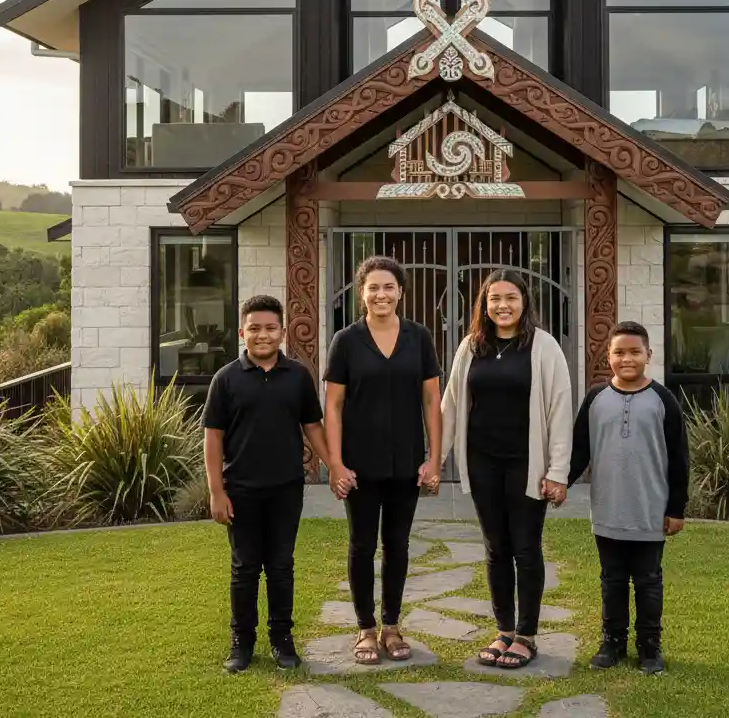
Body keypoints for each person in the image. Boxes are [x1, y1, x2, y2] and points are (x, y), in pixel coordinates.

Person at [440, 269, 573, 670]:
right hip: (483, 462)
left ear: (524, 302)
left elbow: (561, 409)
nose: (502, 305)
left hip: (526, 464)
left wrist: (558, 471)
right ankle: (504, 632)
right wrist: (434, 459)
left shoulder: (543, 346)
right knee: (496, 549)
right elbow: (450, 406)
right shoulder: (471, 346)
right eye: (494, 298)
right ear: (484, 304)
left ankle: (527, 635)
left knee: (526, 547)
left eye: (510, 297)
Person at [323, 255, 442, 665]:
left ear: (400, 292)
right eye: (373, 287)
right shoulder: (346, 341)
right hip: (359, 465)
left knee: (398, 544)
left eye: (388, 287)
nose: (381, 294)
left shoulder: (419, 337)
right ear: (362, 294)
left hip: (406, 463)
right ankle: (366, 629)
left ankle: (391, 626)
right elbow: (333, 406)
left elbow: (431, 400)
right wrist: (335, 464)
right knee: (361, 545)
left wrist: (434, 459)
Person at [203, 294, 330, 674]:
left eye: (270, 328)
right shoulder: (225, 380)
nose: (263, 335)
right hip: (240, 491)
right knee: (244, 568)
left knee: (280, 566)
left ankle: (282, 640)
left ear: (282, 332)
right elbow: (213, 438)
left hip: (286, 489)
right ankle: (242, 642)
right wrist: (216, 492)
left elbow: (313, 428)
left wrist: (334, 467)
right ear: (242, 332)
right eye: (254, 328)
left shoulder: (298, 376)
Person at [568, 319, 689, 676]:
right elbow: (579, 451)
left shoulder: (664, 400)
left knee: (649, 581)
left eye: (635, 352)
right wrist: (560, 483)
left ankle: (650, 648)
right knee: (612, 580)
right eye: (619, 352)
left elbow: (680, 459)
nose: (627, 359)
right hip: (607, 511)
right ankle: (612, 643)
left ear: (648, 355)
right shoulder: (595, 399)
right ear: (609, 356)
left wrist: (676, 508)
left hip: (650, 512)